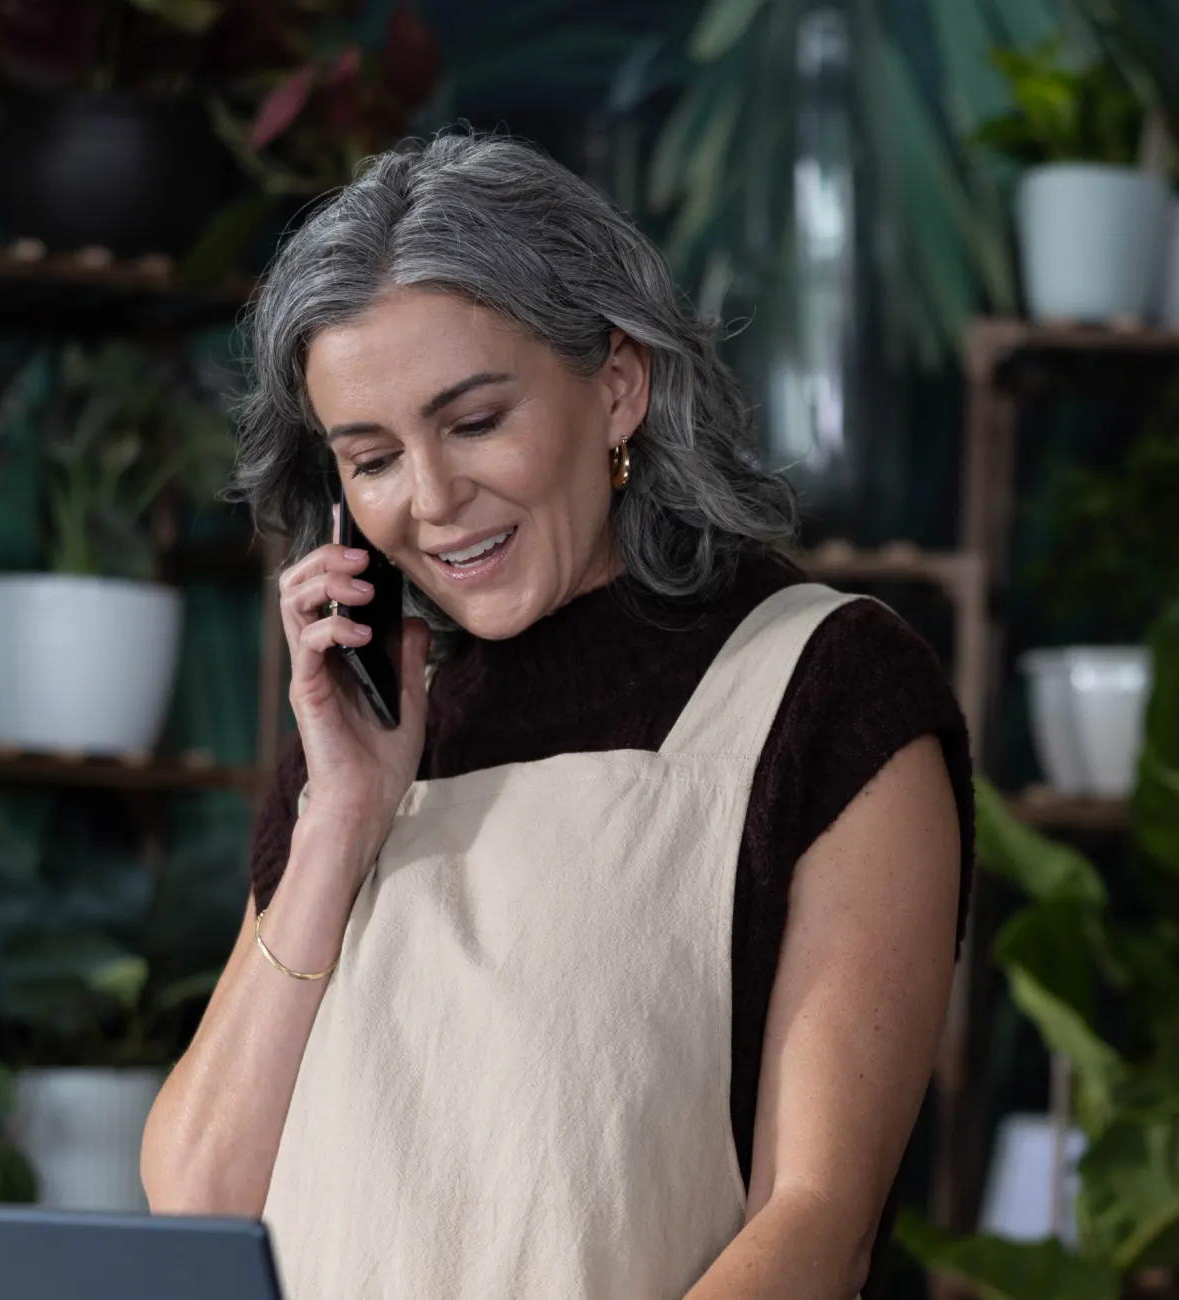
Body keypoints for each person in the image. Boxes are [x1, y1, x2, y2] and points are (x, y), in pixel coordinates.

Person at [140, 132, 972, 1300]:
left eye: (475, 421)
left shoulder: (825, 689)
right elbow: (198, 1200)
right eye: (372, 457)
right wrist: (339, 821)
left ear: (617, 384)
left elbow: (816, 1227)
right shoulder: (363, 742)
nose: (431, 500)